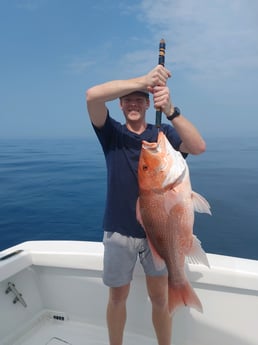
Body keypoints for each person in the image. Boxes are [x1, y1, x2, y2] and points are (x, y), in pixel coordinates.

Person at [86, 65, 206, 345]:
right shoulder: (111, 134)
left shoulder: (163, 135)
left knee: (160, 297)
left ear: (148, 102)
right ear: (120, 104)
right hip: (119, 232)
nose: (133, 103)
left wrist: (171, 110)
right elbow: (92, 96)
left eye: (139, 98)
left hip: (160, 234)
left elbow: (198, 146)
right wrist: (143, 81)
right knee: (117, 297)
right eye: (127, 99)